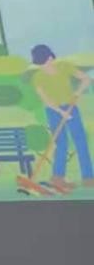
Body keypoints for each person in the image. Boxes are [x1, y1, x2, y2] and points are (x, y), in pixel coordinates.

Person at [30, 44, 93, 192]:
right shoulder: (37, 77)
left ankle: (89, 178)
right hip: (53, 111)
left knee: (81, 141)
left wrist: (77, 92)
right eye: (40, 64)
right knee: (61, 142)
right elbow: (46, 100)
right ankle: (58, 179)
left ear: (50, 57)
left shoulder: (64, 67)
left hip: (71, 107)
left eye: (45, 62)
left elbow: (86, 79)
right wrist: (60, 112)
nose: (44, 67)